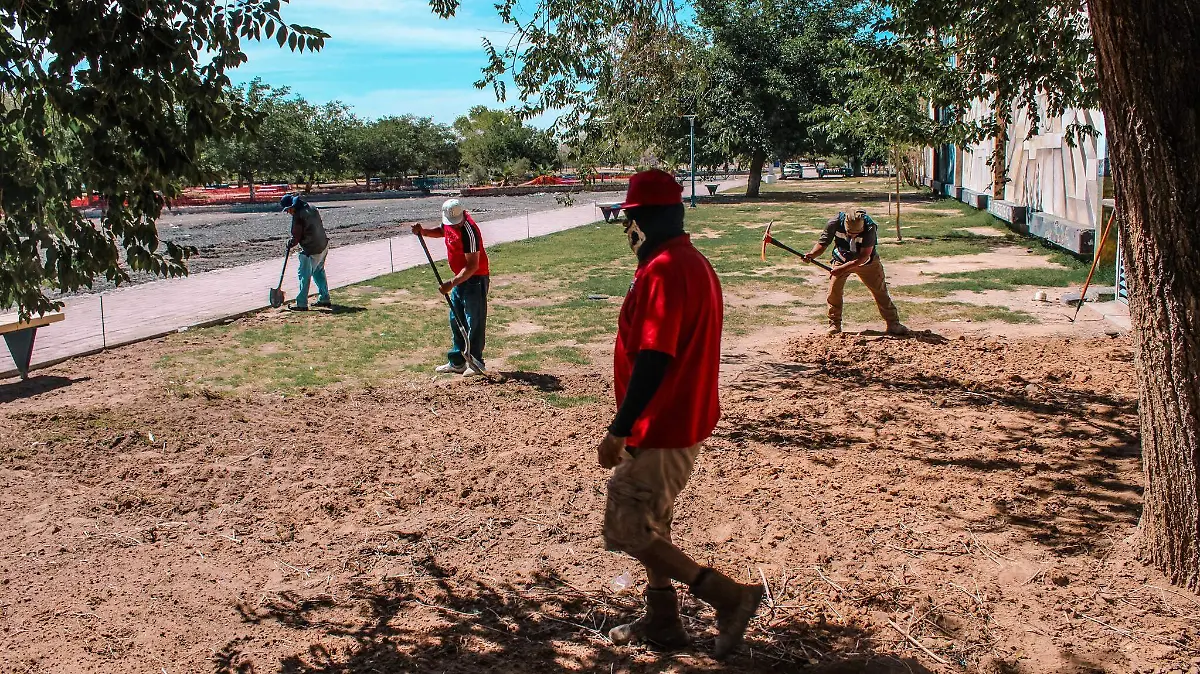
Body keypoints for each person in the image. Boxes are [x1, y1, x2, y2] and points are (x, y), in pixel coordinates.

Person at [597, 169, 763, 658]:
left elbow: (655, 356)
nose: (626, 229)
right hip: (672, 420)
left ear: (646, 220)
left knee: (627, 527)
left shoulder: (666, 269)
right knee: (653, 524)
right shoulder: (688, 262)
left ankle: (729, 597)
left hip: (661, 424)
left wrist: (619, 429)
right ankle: (663, 619)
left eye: (630, 218)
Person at [411, 198, 490, 377]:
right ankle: (458, 361)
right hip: (460, 279)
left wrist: (451, 283)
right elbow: (442, 231)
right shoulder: (449, 223)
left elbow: (472, 266)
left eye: (456, 223)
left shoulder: (469, 231)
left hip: (475, 279)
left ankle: (476, 362)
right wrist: (423, 232)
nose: (453, 226)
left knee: (474, 321)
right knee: (456, 319)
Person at [802, 209, 909, 336]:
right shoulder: (834, 223)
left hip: (867, 263)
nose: (853, 236)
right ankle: (834, 324)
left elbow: (863, 256)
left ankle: (893, 323)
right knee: (834, 292)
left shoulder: (870, 227)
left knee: (880, 291)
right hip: (841, 258)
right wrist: (812, 255)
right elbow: (823, 243)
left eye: (857, 233)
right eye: (850, 233)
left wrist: (842, 269)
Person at [280, 194, 331, 311]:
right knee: (318, 272)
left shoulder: (298, 216)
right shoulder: (312, 207)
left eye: (288, 210)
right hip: (323, 244)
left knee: (304, 274)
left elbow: (296, 237)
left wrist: (290, 243)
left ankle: (301, 303)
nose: (288, 212)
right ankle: (324, 297)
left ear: (292, 206)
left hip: (312, 249)